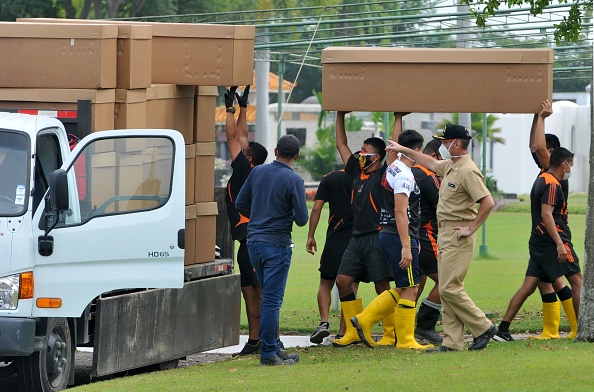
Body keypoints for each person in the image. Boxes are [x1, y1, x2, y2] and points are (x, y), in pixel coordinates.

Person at [387, 123, 498, 352]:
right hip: (446, 232)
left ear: (457, 143)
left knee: (449, 289)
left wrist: (471, 229)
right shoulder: (451, 165)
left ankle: (484, 327)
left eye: (446, 142)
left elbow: (488, 203)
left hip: (458, 233)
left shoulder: (467, 170)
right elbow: (428, 161)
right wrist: (402, 149)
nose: (443, 145)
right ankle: (452, 342)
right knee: (448, 288)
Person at [494, 100, 580, 342]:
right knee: (571, 280)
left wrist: (540, 116)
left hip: (540, 240)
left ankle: (505, 329)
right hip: (551, 239)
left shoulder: (550, 174)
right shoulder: (548, 177)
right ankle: (574, 329)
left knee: (536, 284)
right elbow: (536, 145)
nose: (536, 152)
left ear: (549, 154)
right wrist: (537, 117)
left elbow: (537, 146)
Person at [352, 124, 433, 350]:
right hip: (398, 236)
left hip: (390, 235)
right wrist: (407, 245)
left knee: (405, 286)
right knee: (411, 288)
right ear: (416, 150)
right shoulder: (405, 176)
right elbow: (401, 211)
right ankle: (405, 340)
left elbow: (392, 156)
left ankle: (365, 319)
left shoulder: (392, 167)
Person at [235, 134, 308, 366]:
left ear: (275, 151)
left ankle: (274, 348)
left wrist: (258, 213)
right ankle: (267, 353)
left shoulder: (257, 172)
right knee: (272, 301)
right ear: (296, 155)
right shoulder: (293, 180)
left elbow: (240, 203)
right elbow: (302, 219)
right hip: (276, 243)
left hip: (253, 242)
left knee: (268, 297)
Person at [331, 111, 393, 348]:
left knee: (382, 287)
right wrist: (340, 114)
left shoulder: (384, 175)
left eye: (365, 150)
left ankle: (391, 333)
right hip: (356, 239)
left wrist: (397, 117)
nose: (360, 154)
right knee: (343, 281)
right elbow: (340, 144)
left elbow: (394, 150)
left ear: (377, 156)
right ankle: (352, 333)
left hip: (377, 237)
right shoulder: (356, 172)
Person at [223, 85, 269, 356]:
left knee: (262, 293)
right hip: (247, 243)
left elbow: (232, 137)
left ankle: (271, 339)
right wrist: (243, 108)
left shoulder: (245, 170)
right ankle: (255, 341)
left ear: (248, 156)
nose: (242, 144)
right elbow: (241, 134)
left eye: (245, 148)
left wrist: (229, 109)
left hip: (253, 241)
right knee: (249, 293)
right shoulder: (251, 168)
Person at [306, 169, 358, 344]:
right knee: (351, 284)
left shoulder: (330, 178)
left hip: (335, 236)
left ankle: (324, 322)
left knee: (325, 282)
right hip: (357, 238)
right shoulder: (363, 177)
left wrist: (310, 236)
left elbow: (316, 208)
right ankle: (344, 332)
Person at [412, 139, 444, 345]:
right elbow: (442, 206)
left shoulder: (409, 172)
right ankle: (424, 325)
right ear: (433, 157)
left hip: (412, 234)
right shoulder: (427, 175)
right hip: (427, 234)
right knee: (447, 280)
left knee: (416, 284)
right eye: (441, 157)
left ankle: (403, 327)